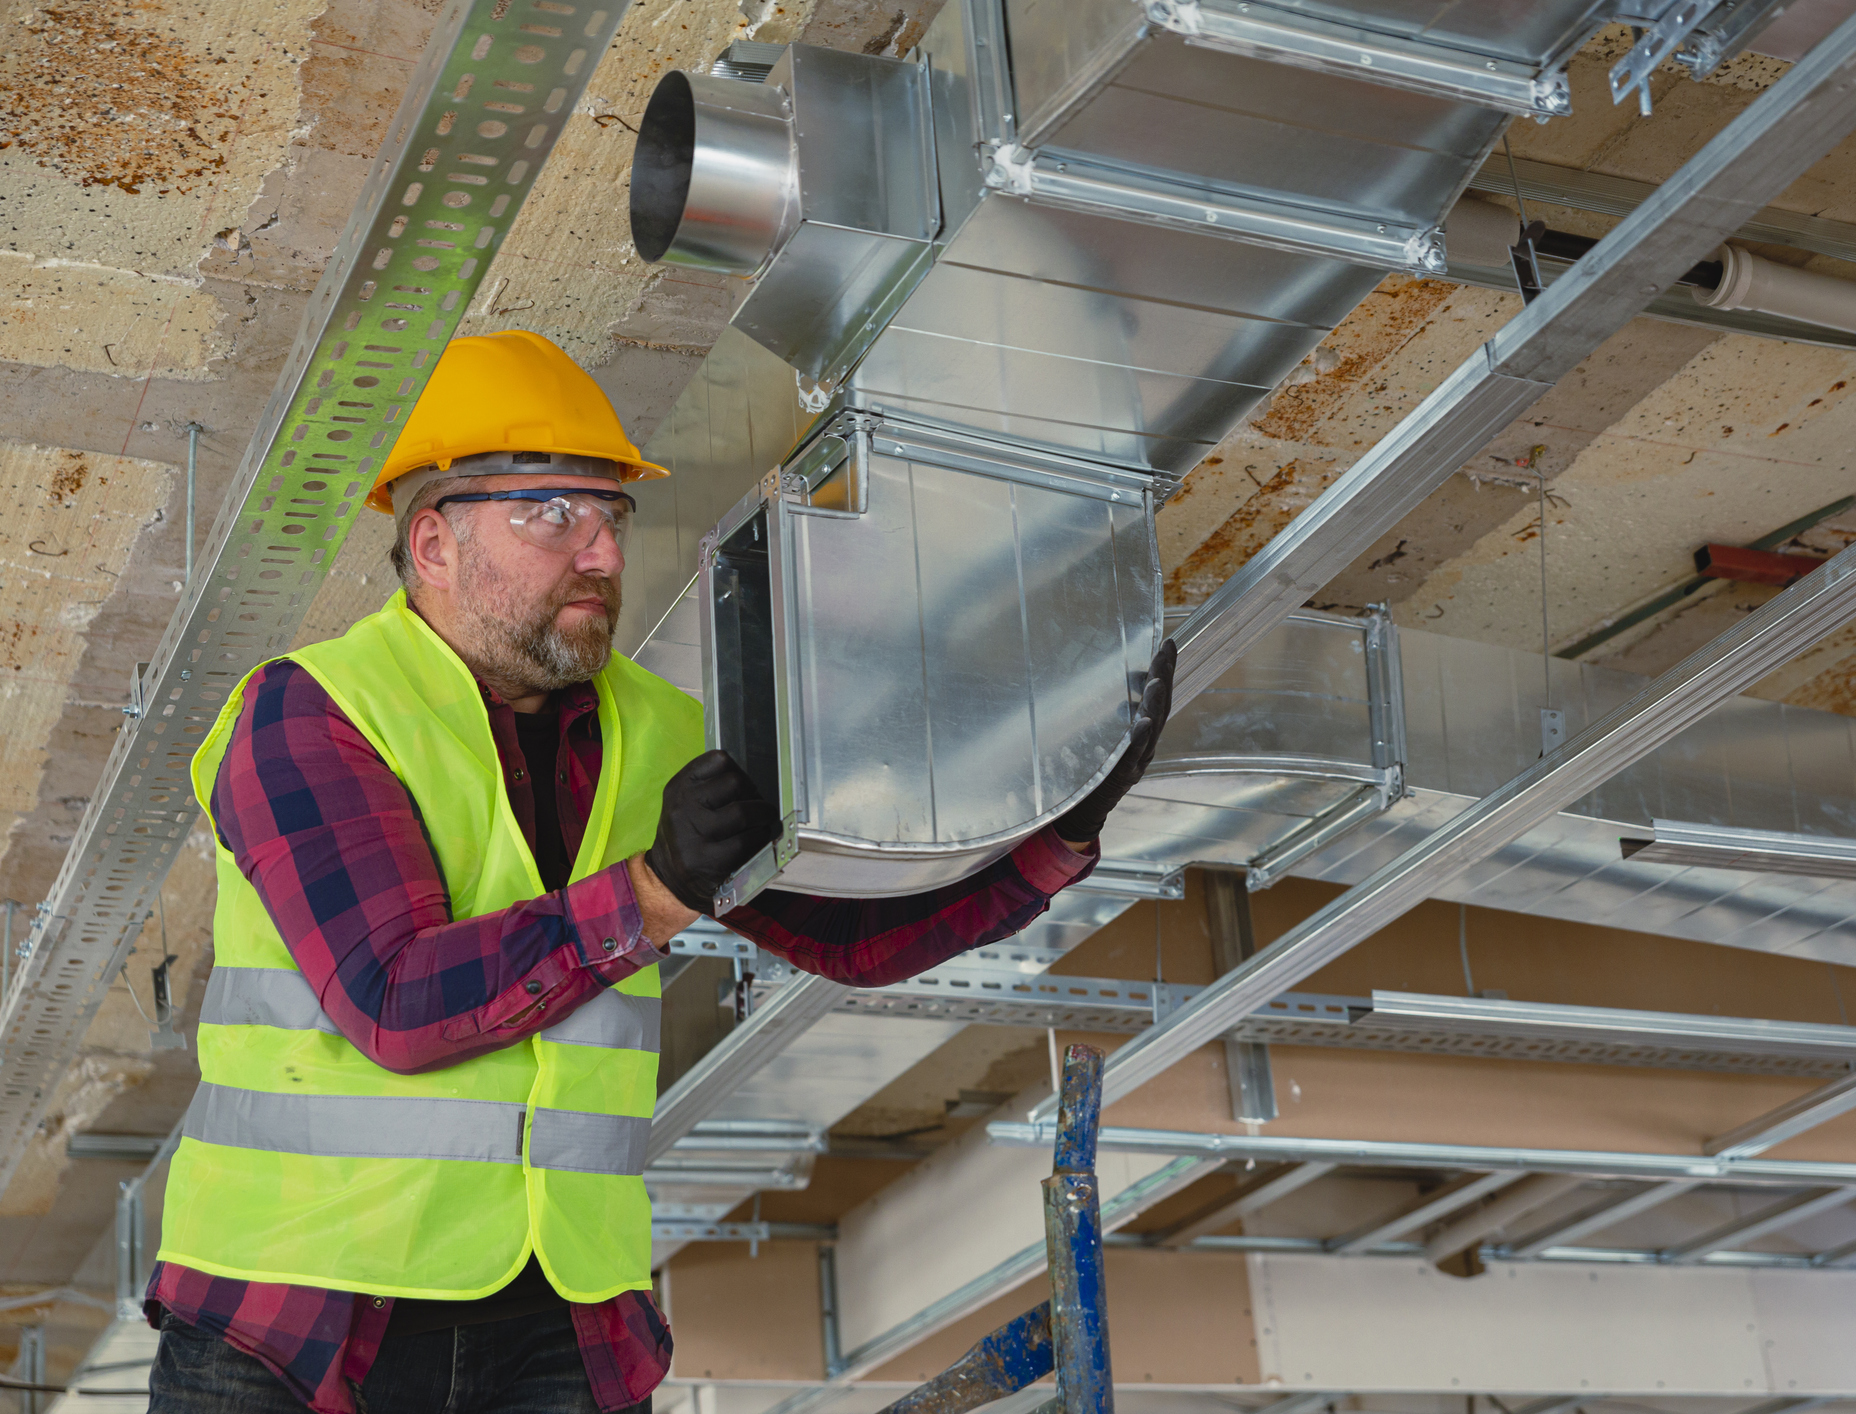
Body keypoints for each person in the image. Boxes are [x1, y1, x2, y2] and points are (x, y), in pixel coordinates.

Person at [142, 331, 1176, 1414]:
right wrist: (653, 892)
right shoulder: (312, 711)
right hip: (297, 1319)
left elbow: (856, 938)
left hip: (557, 1322)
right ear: (435, 543)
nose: (598, 553)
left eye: (610, 518)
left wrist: (1060, 823)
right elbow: (395, 998)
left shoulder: (662, 731)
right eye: (550, 515)